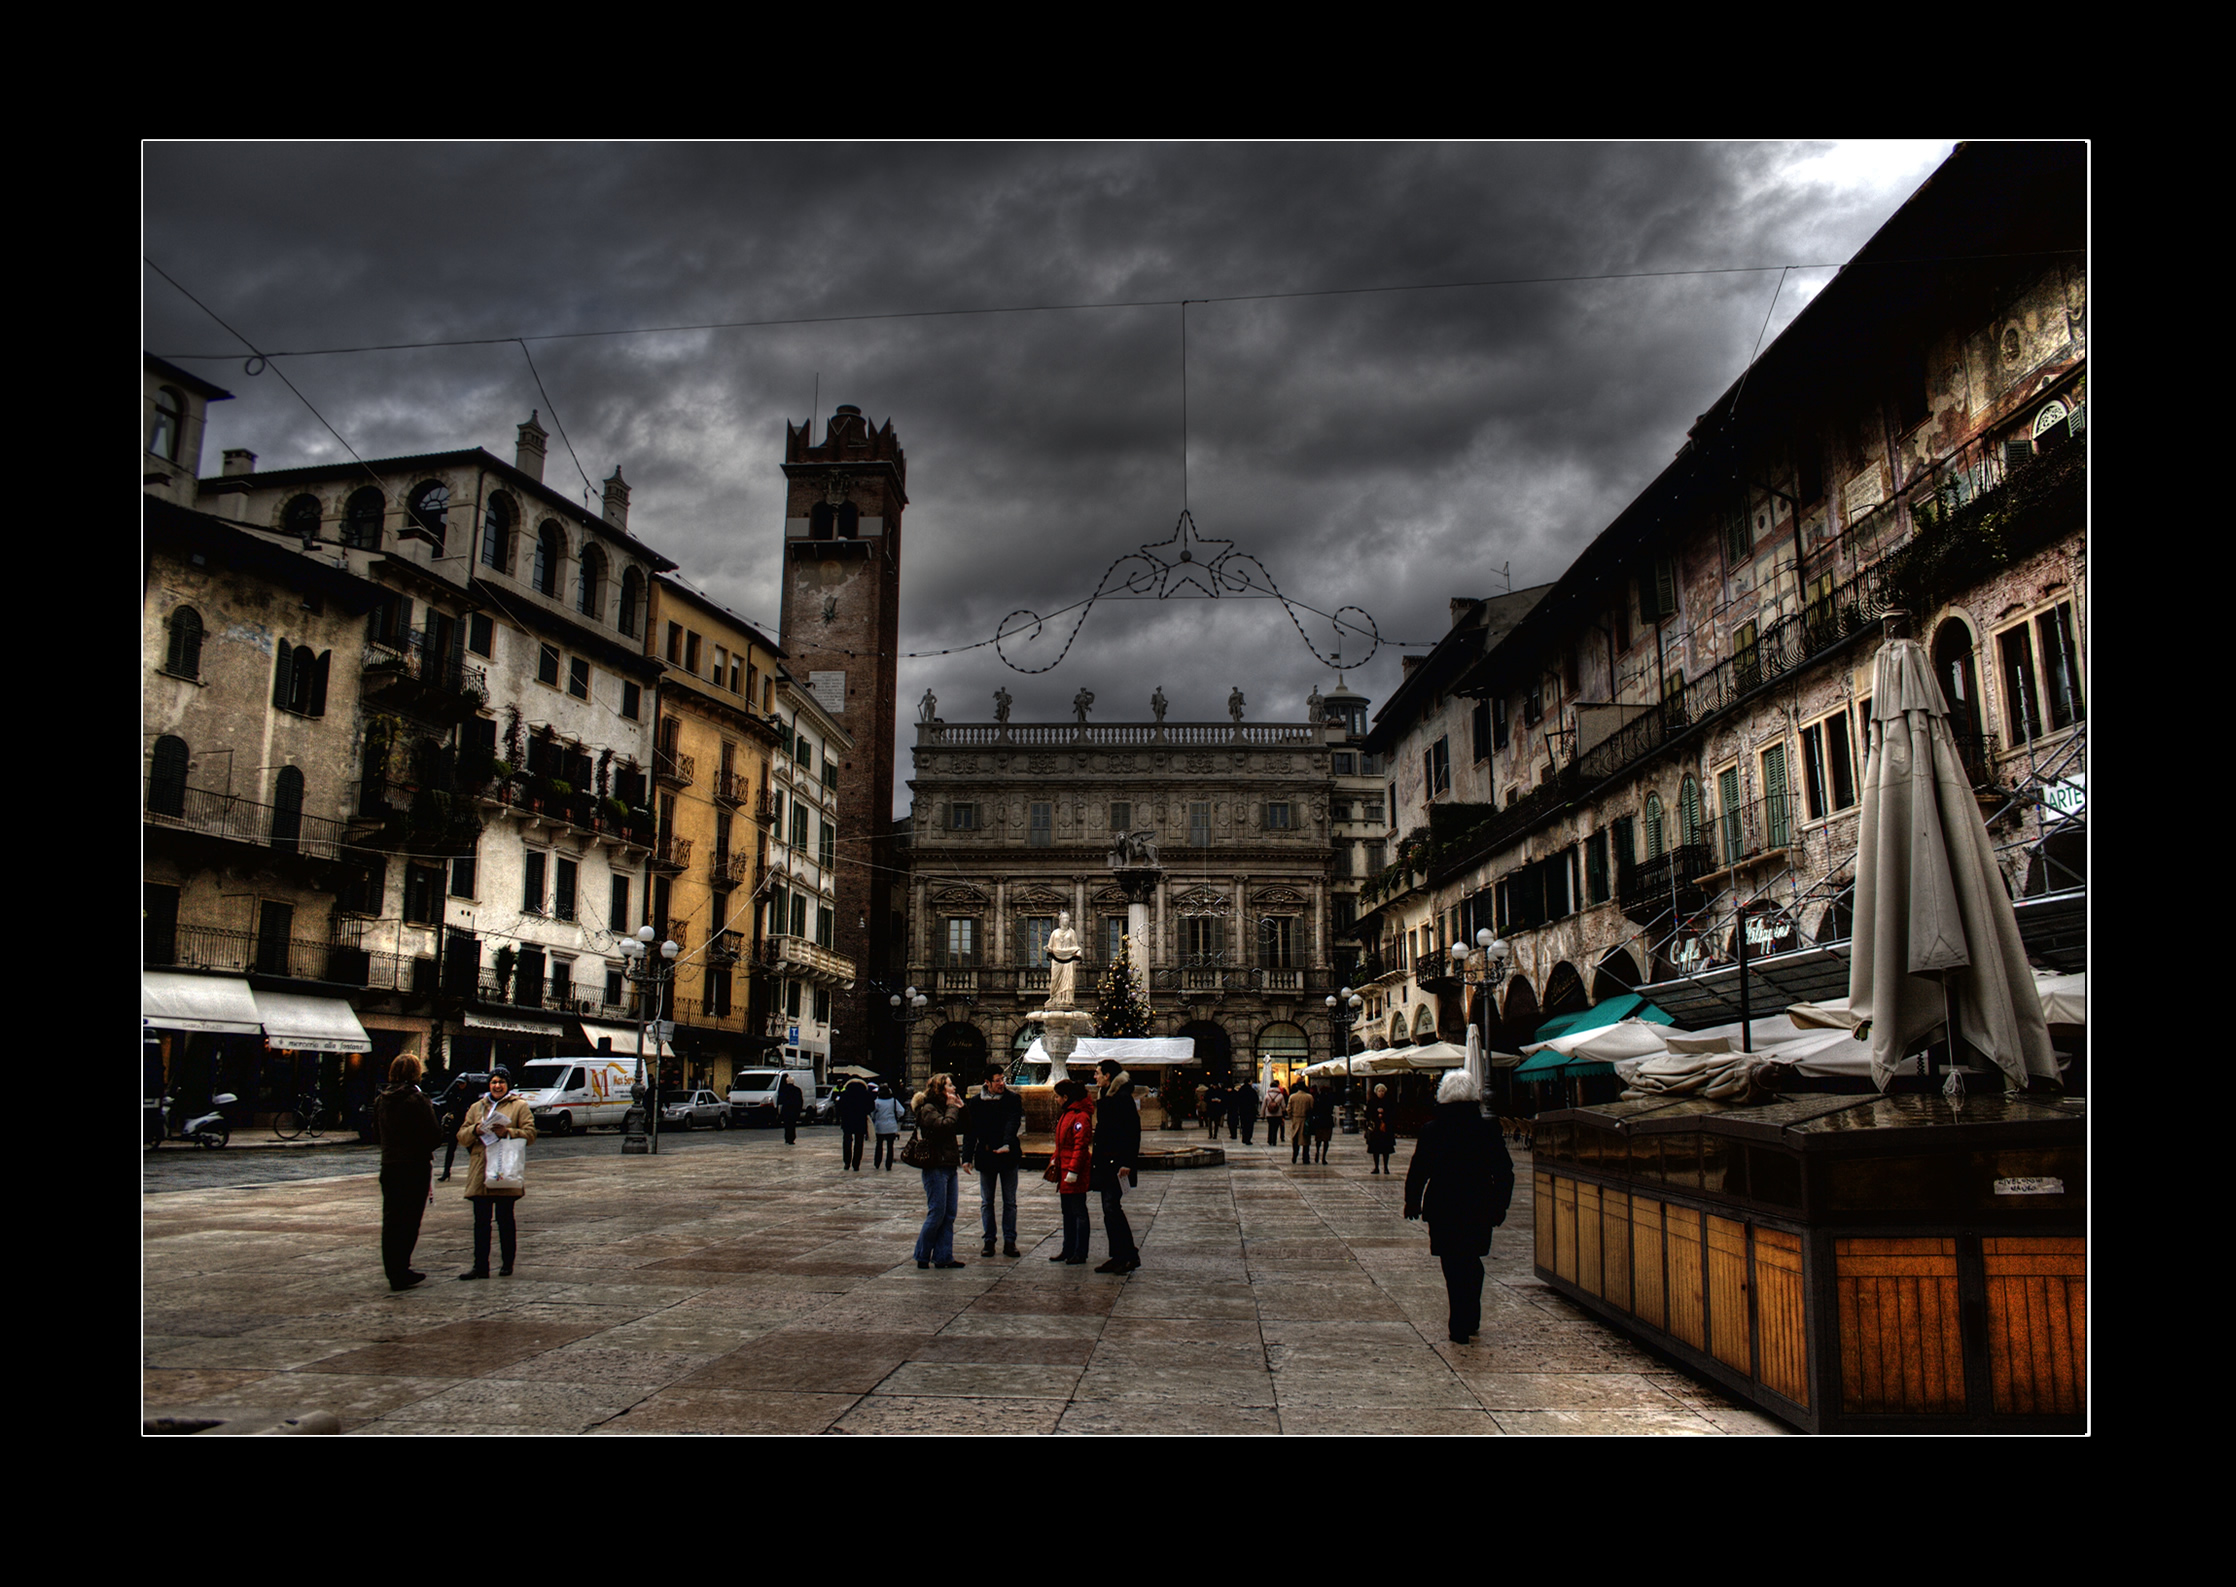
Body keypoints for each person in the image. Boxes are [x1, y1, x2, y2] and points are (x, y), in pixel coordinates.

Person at [1403, 1068, 1515, 1345]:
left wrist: (1412, 1201)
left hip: (1443, 1206)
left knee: (1452, 1263)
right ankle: (1470, 1315)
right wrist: (1501, 1205)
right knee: (1472, 1260)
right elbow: (1504, 1171)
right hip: (1479, 1204)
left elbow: (1419, 1170)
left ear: (1442, 1096)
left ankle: (1458, 1323)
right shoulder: (1487, 1129)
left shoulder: (1432, 1129)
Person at [457, 1066, 537, 1280]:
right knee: (481, 1222)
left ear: (508, 1085)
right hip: (481, 1170)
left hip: (504, 1168)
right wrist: (475, 1129)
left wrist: (508, 1132)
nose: (497, 1086)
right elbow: (462, 1136)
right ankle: (480, 1266)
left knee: (505, 1219)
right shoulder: (477, 1107)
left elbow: (530, 1134)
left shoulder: (519, 1106)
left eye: (501, 1082)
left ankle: (507, 1263)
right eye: (494, 1082)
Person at [374, 1054, 442, 1292]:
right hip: (414, 1166)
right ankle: (402, 1269)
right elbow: (434, 1137)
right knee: (410, 1220)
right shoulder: (417, 1099)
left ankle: (393, 1270)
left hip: (390, 1165)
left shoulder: (382, 1100)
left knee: (392, 1220)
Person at [964, 1063, 1025, 1258]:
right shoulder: (976, 1102)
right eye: (997, 1081)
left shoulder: (1012, 1099)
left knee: (1010, 1201)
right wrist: (966, 1157)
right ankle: (989, 1240)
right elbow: (970, 1131)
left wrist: (1007, 1143)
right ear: (987, 1082)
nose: (1001, 1084)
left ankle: (1010, 1240)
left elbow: (1013, 1122)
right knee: (986, 1201)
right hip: (987, 1155)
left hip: (1007, 1155)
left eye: (1003, 1080)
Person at [912, 1073, 968, 1269]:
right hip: (935, 1166)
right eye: (949, 1085)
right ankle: (922, 1254)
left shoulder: (945, 1107)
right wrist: (952, 1108)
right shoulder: (928, 1108)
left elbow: (962, 1127)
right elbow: (944, 1126)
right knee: (937, 1213)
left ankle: (944, 1256)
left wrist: (961, 1108)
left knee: (949, 1214)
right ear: (940, 1089)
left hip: (949, 1164)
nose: (953, 1088)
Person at [1091, 1060, 1141, 1273]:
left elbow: (1132, 1133)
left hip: (1117, 1163)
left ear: (1108, 1076)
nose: (1095, 1077)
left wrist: (1127, 1163)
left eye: (1098, 1073)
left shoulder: (1122, 1099)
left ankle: (1128, 1255)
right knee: (1109, 1209)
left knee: (1112, 1207)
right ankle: (1118, 1255)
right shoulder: (1108, 1096)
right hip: (1107, 1162)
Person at [1048, 1080, 1096, 1264]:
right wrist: (1055, 1158)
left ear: (1066, 1097)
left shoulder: (1080, 1117)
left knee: (1078, 1212)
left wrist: (1074, 1171)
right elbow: (1063, 1144)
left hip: (1073, 1172)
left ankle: (1080, 1251)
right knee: (1067, 1212)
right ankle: (1068, 1248)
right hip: (1065, 1170)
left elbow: (1080, 1146)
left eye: (1057, 1096)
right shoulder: (1068, 1114)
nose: (1056, 1099)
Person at [435, 1070, 480, 1181]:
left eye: (462, 1083)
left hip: (466, 1124)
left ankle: (478, 1170)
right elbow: (449, 1104)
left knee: (470, 1148)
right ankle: (446, 1172)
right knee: (451, 1148)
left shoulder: (471, 1094)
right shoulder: (455, 1093)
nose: (460, 1086)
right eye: (459, 1083)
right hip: (456, 1124)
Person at [1046, 911, 1082, 1008]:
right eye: (1064, 918)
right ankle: (1054, 998)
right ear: (1060, 920)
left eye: (1067, 918)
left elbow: (1076, 947)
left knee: (1068, 980)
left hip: (1068, 960)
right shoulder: (1055, 933)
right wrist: (1048, 949)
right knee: (1054, 980)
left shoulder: (1072, 933)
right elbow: (1050, 946)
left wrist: (1078, 952)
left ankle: (1067, 999)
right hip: (1056, 960)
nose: (1066, 920)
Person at [837, 1076, 873, 1170]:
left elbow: (839, 1107)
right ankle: (856, 1164)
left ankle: (847, 1162)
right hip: (860, 1120)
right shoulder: (865, 1094)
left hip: (847, 1120)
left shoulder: (845, 1094)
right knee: (859, 1142)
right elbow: (871, 1107)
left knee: (847, 1141)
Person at [1363, 1082, 1398, 1175]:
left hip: (1386, 1129)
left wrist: (1384, 1114)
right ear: (1376, 1092)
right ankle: (1376, 1167)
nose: (1381, 1093)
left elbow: (1393, 1114)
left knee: (1385, 1149)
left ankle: (1386, 1167)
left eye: (1382, 1091)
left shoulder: (1389, 1102)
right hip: (1375, 1129)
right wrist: (1376, 1114)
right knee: (1376, 1149)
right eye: (1379, 1091)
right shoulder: (1372, 1102)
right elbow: (1367, 1115)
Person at [871, 1083, 905, 1169]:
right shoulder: (893, 1101)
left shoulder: (876, 1102)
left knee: (879, 1145)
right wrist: (895, 1117)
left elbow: (872, 1113)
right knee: (890, 1146)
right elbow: (901, 1111)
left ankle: (877, 1162)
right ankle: (888, 1164)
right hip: (891, 1126)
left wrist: (876, 1118)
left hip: (880, 1126)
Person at [1287, 1081, 1315, 1163]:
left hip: (1295, 1120)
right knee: (1305, 1140)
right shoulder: (1309, 1097)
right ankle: (1305, 1157)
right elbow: (1312, 1108)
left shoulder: (1292, 1097)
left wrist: (1291, 1117)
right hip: (1305, 1120)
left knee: (1295, 1139)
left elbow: (1288, 1109)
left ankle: (1295, 1155)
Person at [1310, 1085, 1336, 1164]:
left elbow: (1314, 1109)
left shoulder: (1317, 1098)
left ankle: (1317, 1151)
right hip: (1327, 1121)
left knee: (1319, 1139)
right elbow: (1331, 1108)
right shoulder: (1330, 1098)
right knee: (1326, 1140)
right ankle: (1323, 1157)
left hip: (1319, 1121)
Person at [778, 1073, 804, 1145]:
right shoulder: (797, 1090)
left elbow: (780, 1100)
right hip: (794, 1111)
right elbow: (800, 1101)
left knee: (787, 1125)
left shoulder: (784, 1090)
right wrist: (799, 1110)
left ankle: (787, 1138)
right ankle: (791, 1138)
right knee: (792, 1125)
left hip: (786, 1110)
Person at [1232, 1077, 1259, 1146]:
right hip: (1250, 1111)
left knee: (1243, 1125)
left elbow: (1237, 1100)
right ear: (1249, 1082)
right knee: (1249, 1125)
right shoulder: (1252, 1091)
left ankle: (1244, 1138)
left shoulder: (1241, 1090)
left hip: (1242, 1110)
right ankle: (1248, 1139)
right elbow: (1256, 1100)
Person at [1264, 1082, 1286, 1148]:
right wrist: (1284, 1111)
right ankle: (1274, 1141)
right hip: (1278, 1114)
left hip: (1269, 1114)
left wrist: (1262, 1114)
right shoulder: (1280, 1095)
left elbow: (1263, 1105)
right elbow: (1283, 1106)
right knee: (1275, 1128)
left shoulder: (1267, 1095)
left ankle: (1269, 1139)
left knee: (1270, 1127)